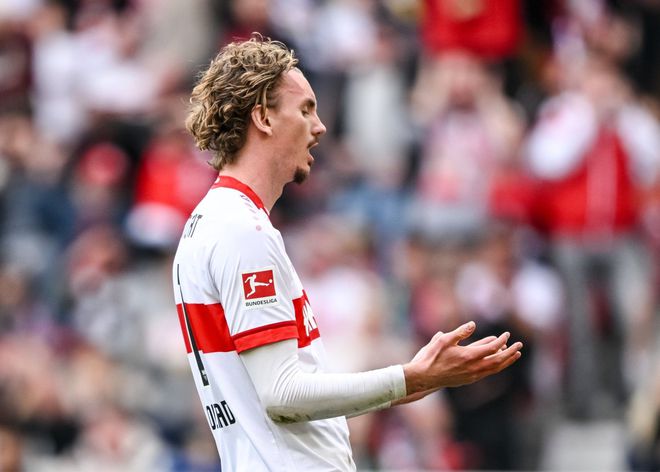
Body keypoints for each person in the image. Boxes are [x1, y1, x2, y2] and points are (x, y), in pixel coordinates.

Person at [171, 35, 523, 471]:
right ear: (263, 117)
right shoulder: (242, 230)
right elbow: (282, 395)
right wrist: (411, 377)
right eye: (305, 110)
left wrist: (412, 382)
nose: (319, 127)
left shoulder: (210, 223)